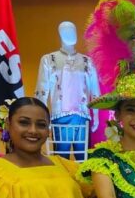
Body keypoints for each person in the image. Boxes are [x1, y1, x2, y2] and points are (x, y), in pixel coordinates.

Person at [34, 21, 100, 160]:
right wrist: (42, 119)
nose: (70, 33)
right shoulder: (49, 59)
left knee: (83, 160)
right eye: (65, 30)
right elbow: (42, 90)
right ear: (60, 34)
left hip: (82, 116)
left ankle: (83, 181)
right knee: (61, 157)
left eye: (72, 30)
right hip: (60, 116)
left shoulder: (87, 61)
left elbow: (94, 89)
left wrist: (96, 115)